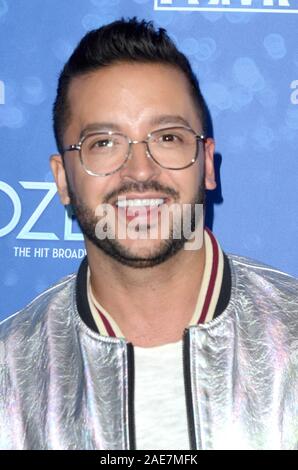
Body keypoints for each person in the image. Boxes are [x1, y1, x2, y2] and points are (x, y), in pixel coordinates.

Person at [0, 17, 297, 451]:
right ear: (62, 179)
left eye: (168, 137)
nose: (140, 171)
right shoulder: (10, 373)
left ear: (207, 163)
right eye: (103, 143)